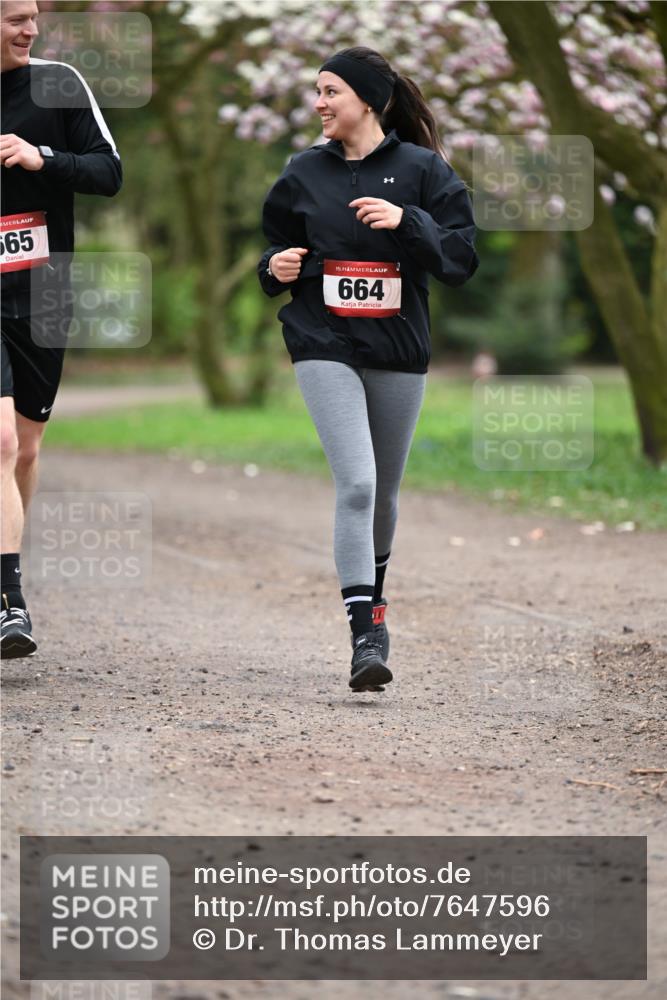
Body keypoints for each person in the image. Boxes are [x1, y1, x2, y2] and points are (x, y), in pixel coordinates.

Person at [258, 46, 478, 692]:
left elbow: (461, 259)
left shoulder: (422, 172)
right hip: (321, 341)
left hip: (396, 347)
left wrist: (406, 222)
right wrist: (274, 268)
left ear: (367, 101)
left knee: (382, 495)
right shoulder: (303, 172)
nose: (318, 103)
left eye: (329, 91)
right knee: (355, 484)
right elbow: (272, 248)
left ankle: (372, 605)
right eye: (316, 91)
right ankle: (365, 636)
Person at [1, 0, 122, 657]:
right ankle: (8, 601)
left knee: (24, 446)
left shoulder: (58, 83)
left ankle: (4, 550)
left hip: (44, 288)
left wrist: (41, 156)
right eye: (14, 18)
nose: (31, 29)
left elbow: (110, 172)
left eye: (33, 17)